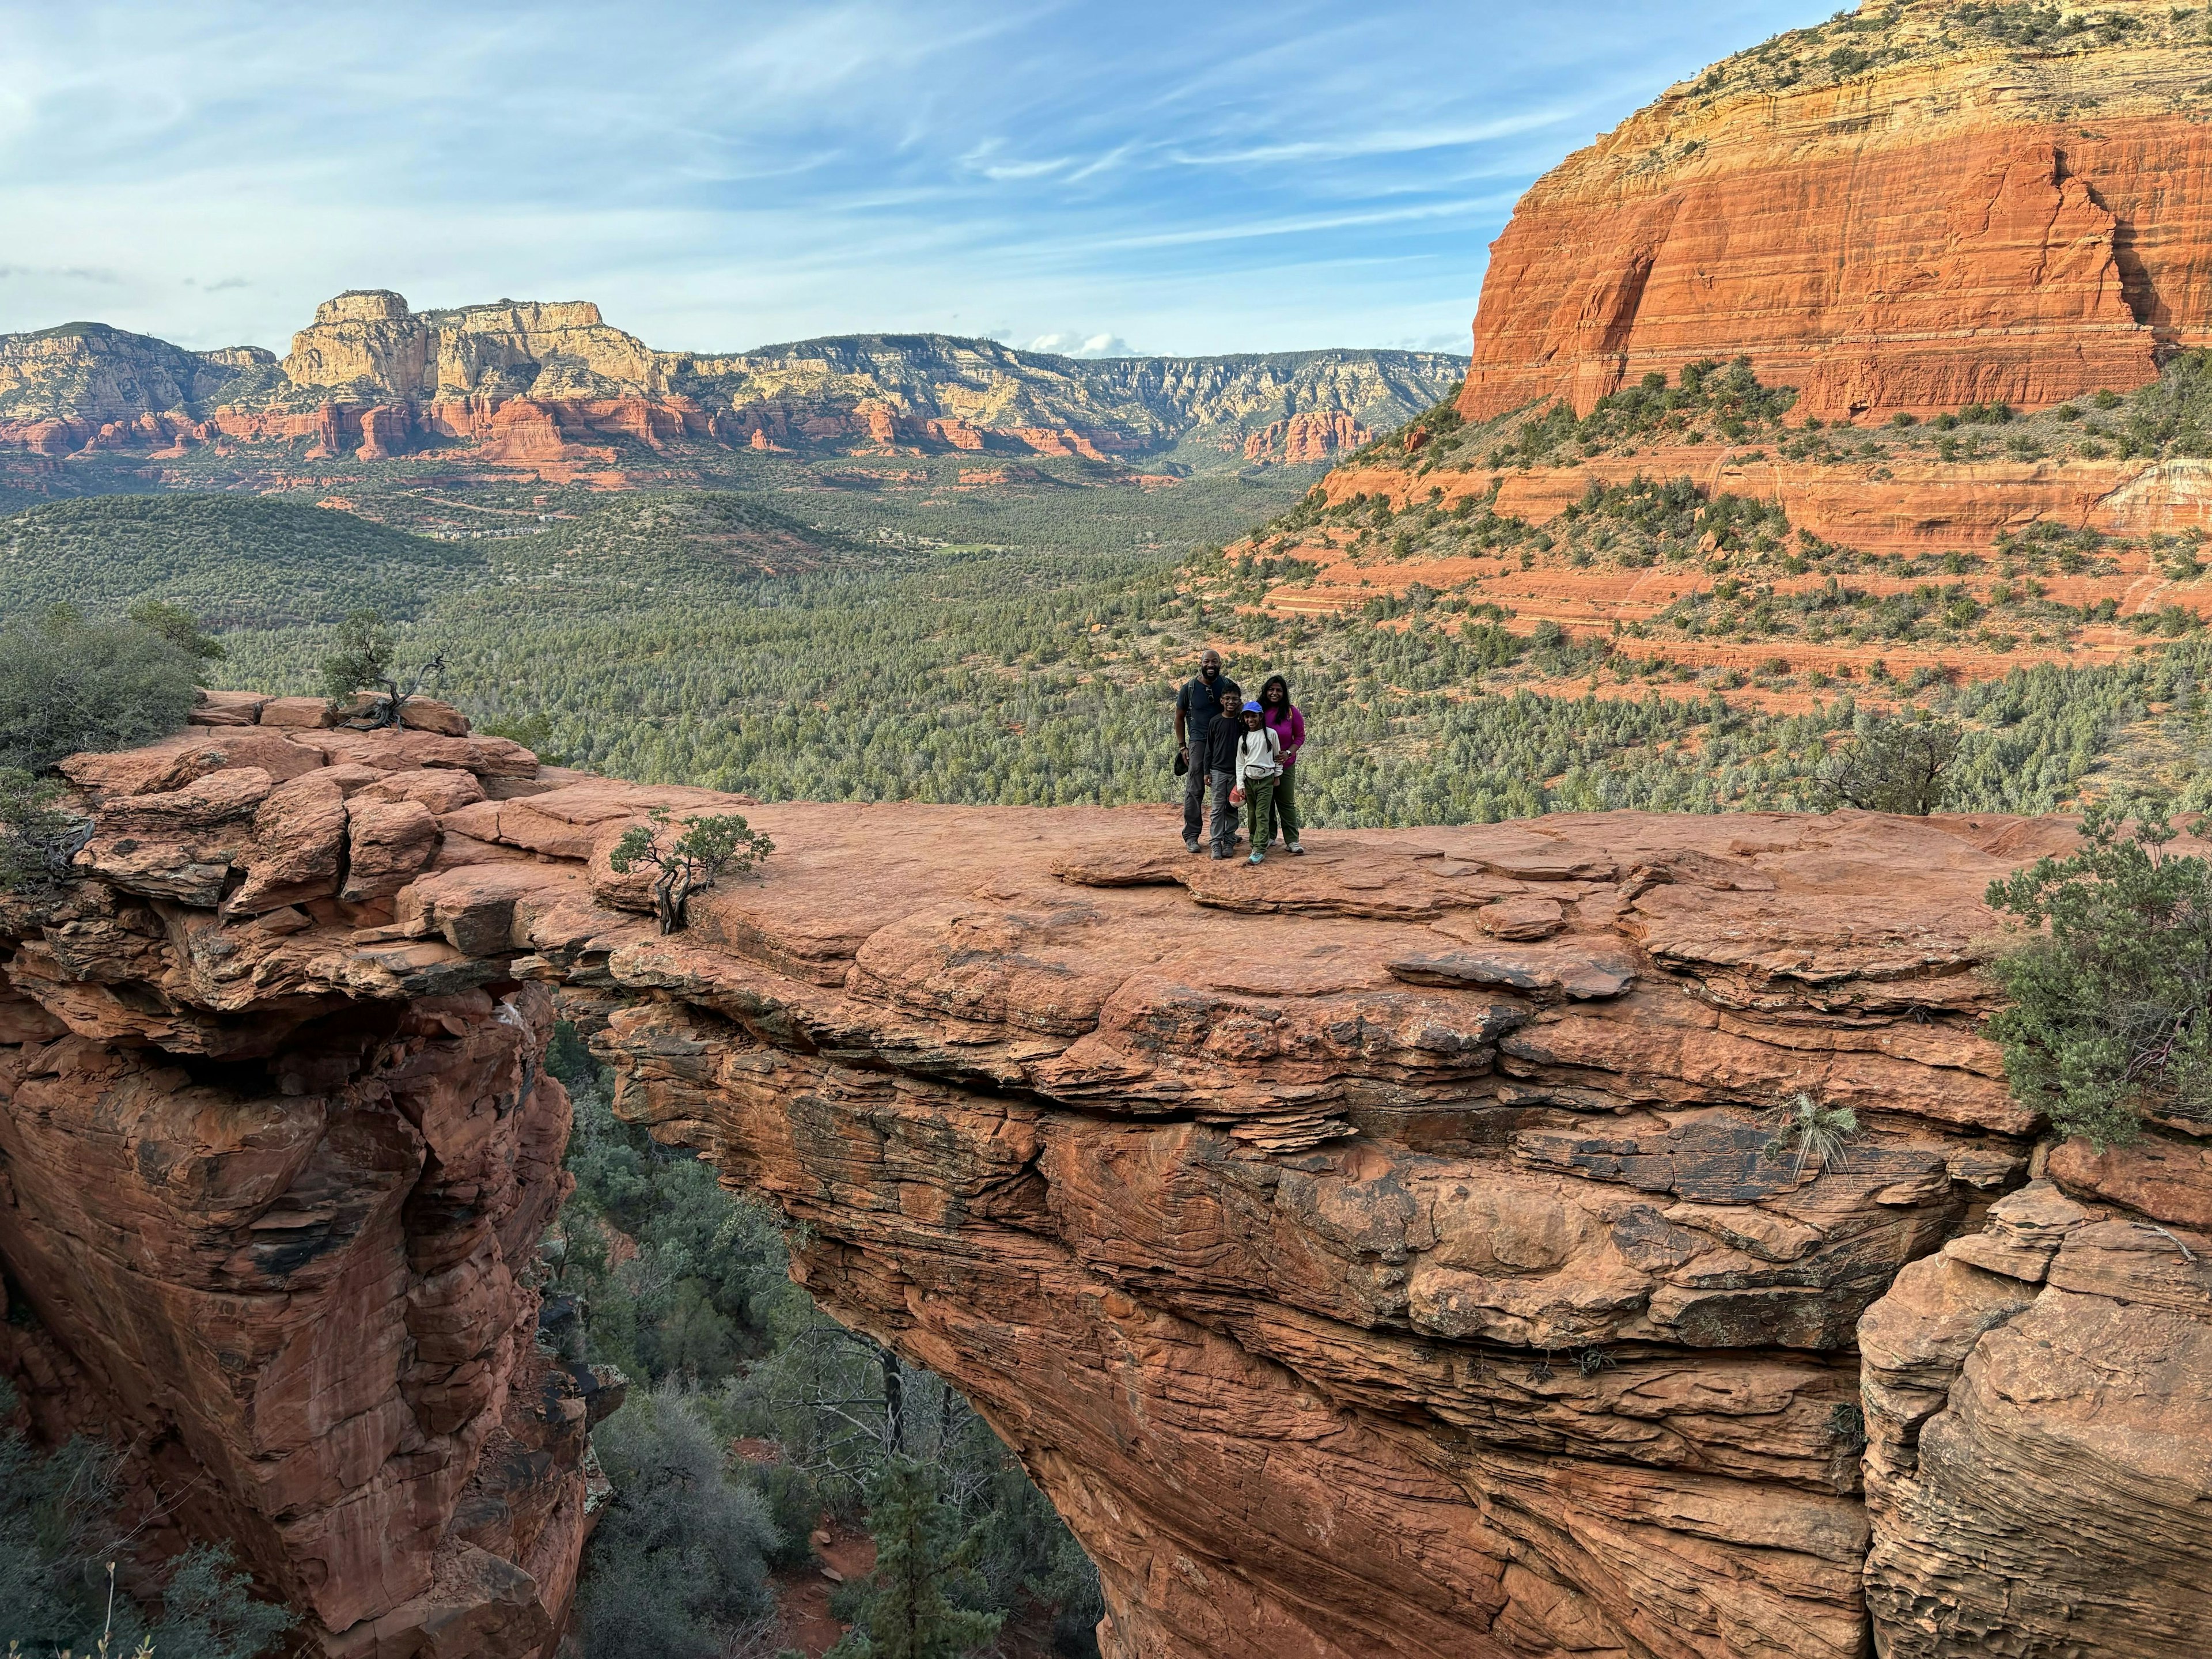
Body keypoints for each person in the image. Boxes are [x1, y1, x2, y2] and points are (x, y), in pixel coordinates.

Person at [1173, 648, 1241, 854]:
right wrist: (1182, 746)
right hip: (1199, 743)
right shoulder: (1190, 688)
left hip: (1225, 742)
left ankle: (1227, 834)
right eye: (1207, 662)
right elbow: (1179, 717)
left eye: (1215, 662)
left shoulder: (1226, 685)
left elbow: (1238, 708)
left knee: (1229, 788)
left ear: (1221, 664)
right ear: (1200, 663)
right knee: (1195, 789)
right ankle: (1192, 836)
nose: (1210, 665)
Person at [1229, 699, 1283, 866]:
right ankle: (1254, 842)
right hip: (1249, 780)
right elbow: (1240, 763)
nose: (1250, 720)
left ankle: (1259, 849)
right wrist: (1241, 785)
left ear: (1260, 717)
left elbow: (1277, 757)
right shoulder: (1243, 739)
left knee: (1262, 814)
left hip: (1266, 779)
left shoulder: (1271, 734)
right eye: (1247, 717)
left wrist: (1277, 776)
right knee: (1252, 815)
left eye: (1253, 716)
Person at [1257, 673, 1305, 856]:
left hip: (1285, 765)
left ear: (1284, 693)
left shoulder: (1291, 712)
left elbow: (1300, 737)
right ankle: (1269, 837)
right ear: (1266, 691)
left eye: (1279, 690)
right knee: (1266, 802)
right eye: (1271, 689)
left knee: (1286, 803)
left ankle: (1292, 841)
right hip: (1262, 765)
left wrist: (1288, 753)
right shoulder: (1259, 710)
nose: (1275, 693)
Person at [1203, 688, 1244, 858]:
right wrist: (1207, 771)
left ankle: (1229, 841)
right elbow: (1209, 748)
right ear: (1221, 701)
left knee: (1233, 807)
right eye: (1227, 698)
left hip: (1237, 772)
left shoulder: (1242, 722)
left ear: (1239, 701)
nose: (1231, 702)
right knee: (1217, 809)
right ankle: (1215, 844)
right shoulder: (1215, 721)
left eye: (1235, 699)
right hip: (1218, 771)